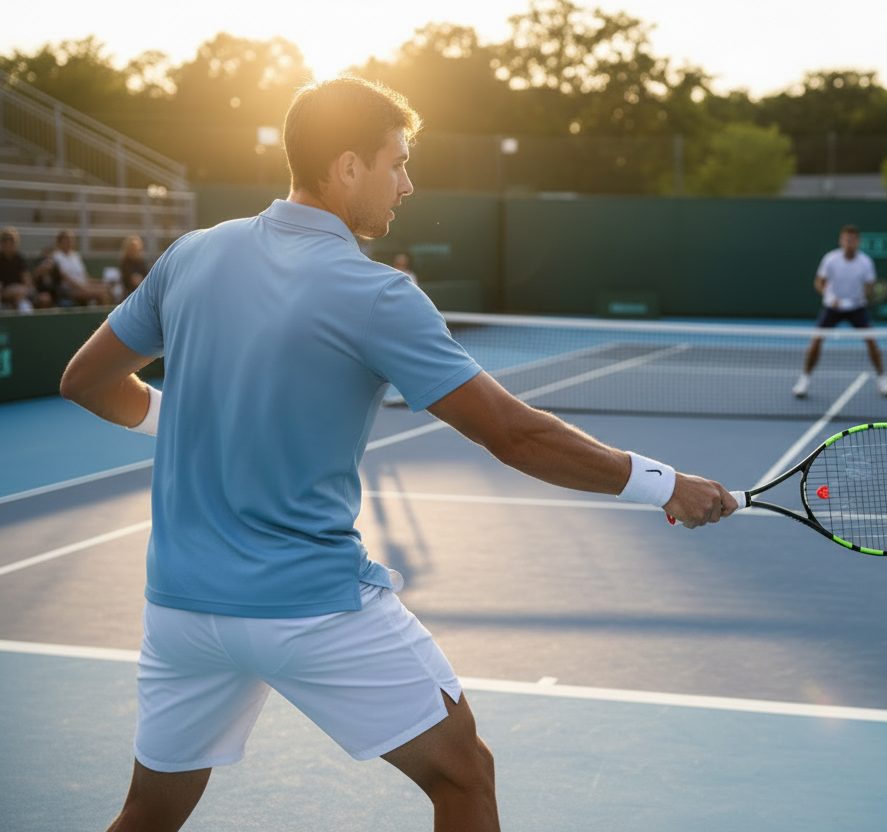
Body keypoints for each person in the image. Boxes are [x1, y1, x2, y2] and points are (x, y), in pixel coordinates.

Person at [60, 76, 735, 832]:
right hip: (309, 606)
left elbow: (85, 381)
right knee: (464, 776)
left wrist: (192, 422)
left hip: (180, 608)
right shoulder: (378, 293)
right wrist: (663, 484)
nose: (408, 184)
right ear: (348, 167)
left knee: (149, 811)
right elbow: (512, 433)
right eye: (398, 163)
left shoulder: (191, 254)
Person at [792, 224, 887, 399]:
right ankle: (804, 380)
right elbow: (819, 282)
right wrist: (830, 297)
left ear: (858, 242)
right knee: (816, 341)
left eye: (853, 240)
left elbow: (869, 287)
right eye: (847, 239)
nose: (849, 243)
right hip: (832, 307)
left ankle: (883, 379)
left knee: (871, 341)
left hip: (856, 308)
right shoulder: (830, 259)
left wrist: (865, 296)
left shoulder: (866, 262)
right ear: (841, 241)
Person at [52, 229, 114, 306]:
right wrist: (83, 289)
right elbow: (66, 278)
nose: (70, 242)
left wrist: (100, 283)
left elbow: (85, 277)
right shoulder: (56, 257)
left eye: (71, 240)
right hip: (69, 291)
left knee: (107, 290)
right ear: (59, 242)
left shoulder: (75, 255)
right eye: (67, 240)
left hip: (83, 287)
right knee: (102, 295)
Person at [0, 227, 36, 311]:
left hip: (19, 293)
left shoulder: (19, 259)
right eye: (6, 241)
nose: (9, 244)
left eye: (12, 241)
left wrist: (26, 289)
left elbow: (26, 279)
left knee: (23, 300)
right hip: (3, 292)